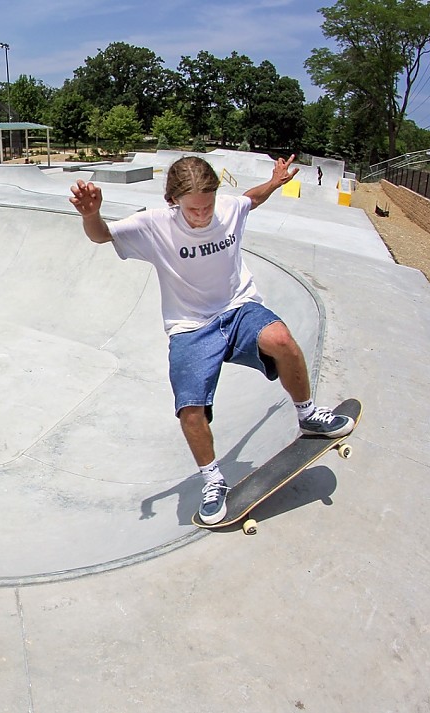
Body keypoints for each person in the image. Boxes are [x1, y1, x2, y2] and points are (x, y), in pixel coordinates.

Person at [69, 155, 354, 525]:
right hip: (189, 327)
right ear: (173, 200)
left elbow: (252, 198)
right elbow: (102, 235)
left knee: (282, 339)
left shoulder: (229, 209)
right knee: (190, 408)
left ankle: (308, 414)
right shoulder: (154, 225)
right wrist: (91, 214)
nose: (203, 215)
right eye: (193, 210)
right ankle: (213, 480)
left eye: (208, 206)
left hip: (238, 309)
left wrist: (275, 180)